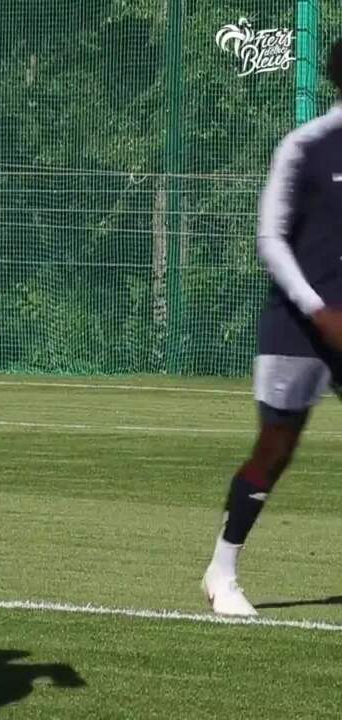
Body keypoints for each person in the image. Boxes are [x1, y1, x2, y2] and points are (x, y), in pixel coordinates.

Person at [202, 38, 342, 618]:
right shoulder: (306, 146)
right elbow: (270, 238)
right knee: (276, 448)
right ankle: (222, 570)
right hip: (299, 325)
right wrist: (317, 308)